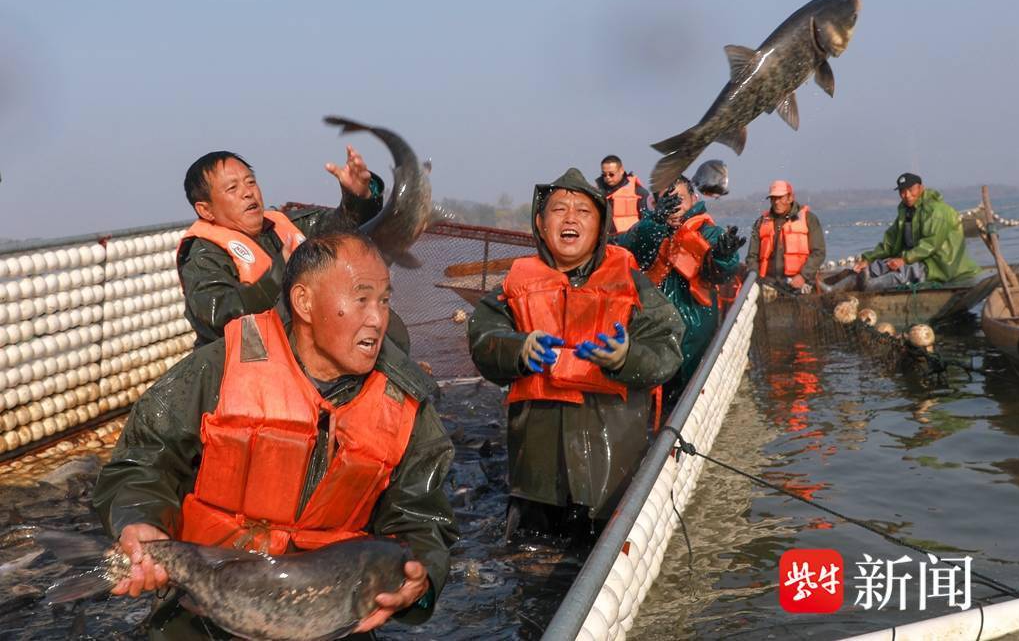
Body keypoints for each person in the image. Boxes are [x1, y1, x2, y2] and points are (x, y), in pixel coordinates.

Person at [93, 232, 457, 640]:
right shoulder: (219, 368)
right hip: (203, 607)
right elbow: (143, 461)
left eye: (384, 300)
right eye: (361, 299)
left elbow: (423, 519)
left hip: (328, 615)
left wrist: (420, 582)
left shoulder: (406, 405)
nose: (377, 318)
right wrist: (140, 519)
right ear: (303, 302)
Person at [467, 168, 683, 542]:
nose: (570, 218)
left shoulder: (630, 282)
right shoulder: (514, 284)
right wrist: (518, 348)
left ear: (600, 227)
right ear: (540, 222)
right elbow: (482, 339)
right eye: (559, 210)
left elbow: (668, 345)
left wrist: (625, 357)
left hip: (609, 475)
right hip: (534, 480)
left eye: (583, 211)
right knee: (529, 564)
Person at [177, 148, 408, 349]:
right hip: (242, 364)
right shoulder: (203, 255)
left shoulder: (285, 224)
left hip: (301, 348)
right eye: (232, 188)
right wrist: (278, 276)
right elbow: (217, 315)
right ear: (205, 210)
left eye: (250, 181)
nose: (248, 192)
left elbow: (342, 230)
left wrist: (358, 197)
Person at [616, 174, 744, 407]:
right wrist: (654, 220)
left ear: (694, 199)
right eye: (667, 201)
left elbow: (720, 271)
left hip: (694, 330)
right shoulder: (649, 230)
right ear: (657, 205)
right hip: (650, 329)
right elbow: (624, 247)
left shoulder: (709, 232)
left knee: (688, 395)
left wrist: (724, 257)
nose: (675, 207)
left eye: (680, 199)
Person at [849, 173, 981, 290]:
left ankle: (867, 288)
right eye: (902, 191)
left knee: (905, 273)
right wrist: (868, 259)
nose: (906, 195)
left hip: (939, 264)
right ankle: (855, 280)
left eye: (911, 190)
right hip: (916, 258)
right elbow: (890, 243)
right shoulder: (906, 212)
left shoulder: (937, 211)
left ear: (921, 188)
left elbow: (930, 245)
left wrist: (904, 259)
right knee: (879, 266)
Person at [745, 180, 826, 294]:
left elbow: (819, 252)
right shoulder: (761, 222)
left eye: (780, 197)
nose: (776, 202)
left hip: (800, 285)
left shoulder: (809, 219)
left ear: (790, 198)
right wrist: (756, 278)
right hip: (768, 286)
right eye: (773, 198)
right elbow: (751, 257)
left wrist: (803, 276)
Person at [595, 154, 651, 235]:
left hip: (629, 240)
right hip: (605, 240)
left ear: (621, 171)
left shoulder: (638, 192)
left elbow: (648, 220)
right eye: (604, 174)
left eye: (611, 174)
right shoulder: (597, 193)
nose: (607, 177)